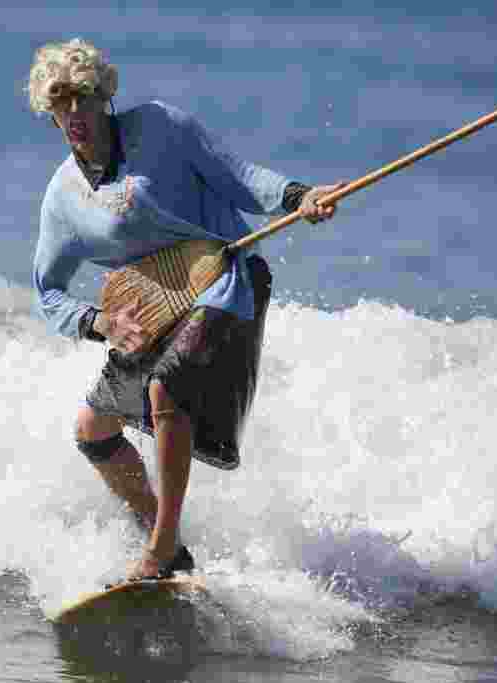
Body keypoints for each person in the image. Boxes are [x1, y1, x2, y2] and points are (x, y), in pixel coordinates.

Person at [28, 38, 340, 582]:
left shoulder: (160, 127)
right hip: (151, 312)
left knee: (164, 389)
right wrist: (101, 323)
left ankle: (161, 548)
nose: (74, 112)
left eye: (83, 96)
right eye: (61, 100)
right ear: (48, 111)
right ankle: (167, 543)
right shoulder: (62, 197)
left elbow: (238, 175)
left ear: (105, 96)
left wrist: (298, 196)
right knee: (91, 430)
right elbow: (47, 292)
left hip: (224, 282)